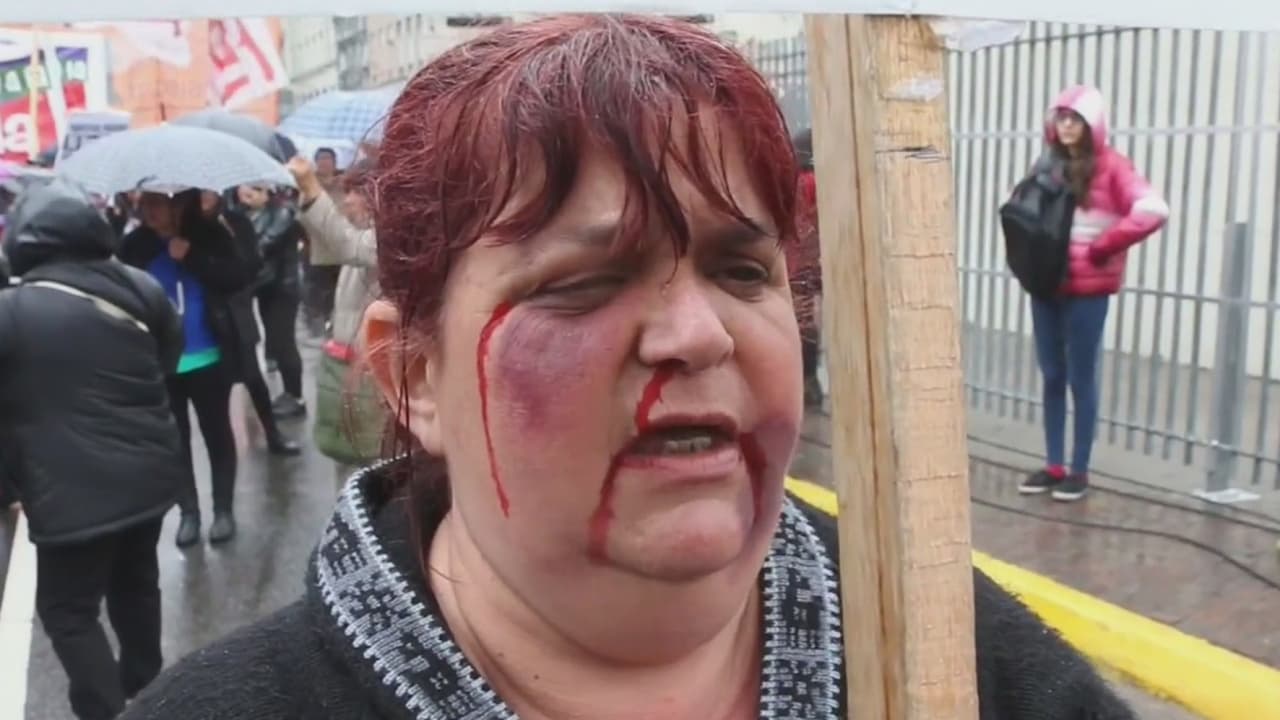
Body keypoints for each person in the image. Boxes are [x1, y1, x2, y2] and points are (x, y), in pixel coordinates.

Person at [122, 15, 1136, 720]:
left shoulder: (954, 650)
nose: (695, 334)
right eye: (583, 282)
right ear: (416, 378)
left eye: (740, 268)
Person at [0, 180, 184, 720]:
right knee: (137, 585)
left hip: (68, 492)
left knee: (68, 610)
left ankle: (103, 709)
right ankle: (148, 692)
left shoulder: (12, 311)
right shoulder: (141, 287)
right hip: (149, 477)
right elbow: (166, 361)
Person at [1018, 85, 1168, 502]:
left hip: (1088, 291)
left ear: (1092, 124)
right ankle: (1054, 465)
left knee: (1081, 377)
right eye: (1061, 118)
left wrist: (1104, 247)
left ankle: (1079, 470)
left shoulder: (1113, 166)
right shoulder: (1047, 163)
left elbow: (1153, 209)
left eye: (1075, 119)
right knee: (1052, 374)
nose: (1066, 126)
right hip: (1046, 282)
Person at [120, 189, 255, 547]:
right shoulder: (134, 245)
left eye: (157, 202)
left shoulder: (210, 234)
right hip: (159, 360)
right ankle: (189, 513)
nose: (149, 210)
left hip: (208, 355)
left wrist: (192, 256)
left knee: (216, 433)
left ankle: (223, 510)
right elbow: (122, 292)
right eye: (145, 203)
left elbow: (237, 277)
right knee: (174, 440)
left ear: (178, 203)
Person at [287, 156, 389, 485]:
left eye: (355, 192)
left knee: (372, 462)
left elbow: (347, 246)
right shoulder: (361, 232)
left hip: (373, 371)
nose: (347, 201)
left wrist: (313, 189)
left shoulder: (388, 238)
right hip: (347, 362)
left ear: (376, 194)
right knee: (346, 456)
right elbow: (331, 245)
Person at [203, 189, 302, 455]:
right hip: (206, 310)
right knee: (213, 385)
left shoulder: (236, 221)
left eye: (210, 193)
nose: (205, 197)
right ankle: (221, 446)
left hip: (238, 307)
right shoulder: (188, 225)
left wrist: (231, 241)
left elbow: (251, 263)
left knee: (253, 375)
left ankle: (273, 433)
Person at [232, 184, 308, 419]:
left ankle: (295, 396)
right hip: (264, 286)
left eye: (256, 188)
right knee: (274, 341)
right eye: (246, 185)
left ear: (269, 193)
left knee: (283, 342)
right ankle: (288, 394)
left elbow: (262, 245)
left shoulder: (282, 213)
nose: (248, 192)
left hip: (282, 288)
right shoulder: (241, 213)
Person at [791, 127, 824, 408]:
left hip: (796, 261)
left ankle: (805, 382)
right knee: (808, 320)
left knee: (802, 320)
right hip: (817, 259)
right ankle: (809, 382)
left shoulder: (794, 182)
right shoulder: (814, 183)